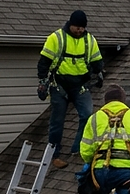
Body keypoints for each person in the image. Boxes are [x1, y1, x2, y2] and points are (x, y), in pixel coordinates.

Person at [38, 10, 104, 168]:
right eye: (77, 27)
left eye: (82, 28)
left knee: (87, 114)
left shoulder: (89, 40)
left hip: (80, 85)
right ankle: (54, 154)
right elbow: (44, 62)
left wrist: (99, 72)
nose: (80, 30)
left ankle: (78, 148)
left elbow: (97, 61)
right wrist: (42, 81)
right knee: (57, 121)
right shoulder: (57, 38)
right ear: (70, 24)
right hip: (59, 85)